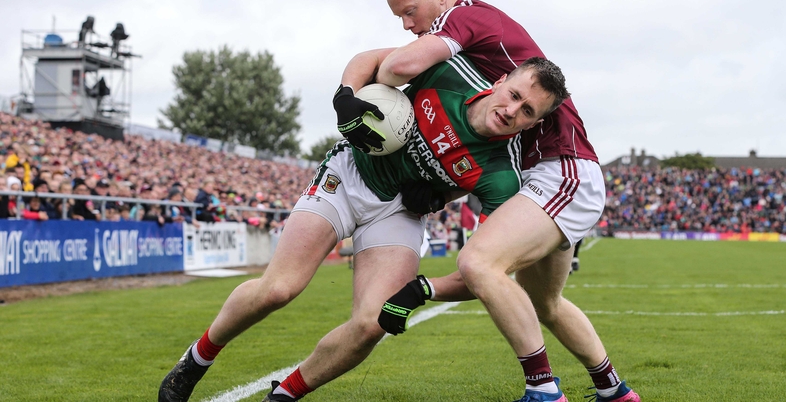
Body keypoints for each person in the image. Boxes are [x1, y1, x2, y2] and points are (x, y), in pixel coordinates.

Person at [158, 54, 569, 402]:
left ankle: (283, 395)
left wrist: (423, 286)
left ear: (533, 124)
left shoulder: (502, 177)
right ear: (500, 81)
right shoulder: (448, 72)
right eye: (515, 95)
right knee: (279, 288)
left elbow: (483, 273)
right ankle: (198, 358)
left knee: (373, 322)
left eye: (528, 111)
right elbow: (371, 60)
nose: (513, 110)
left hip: (400, 215)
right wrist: (345, 97)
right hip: (349, 175)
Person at [372, 0, 639, 402]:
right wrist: (444, 191)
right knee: (544, 303)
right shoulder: (477, 50)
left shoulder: (461, 17)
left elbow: (397, 67)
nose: (407, 24)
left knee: (479, 262)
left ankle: (545, 390)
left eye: (409, 11)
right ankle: (615, 392)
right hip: (549, 174)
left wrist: (364, 94)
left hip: (562, 170)